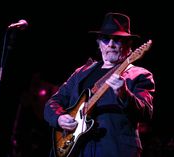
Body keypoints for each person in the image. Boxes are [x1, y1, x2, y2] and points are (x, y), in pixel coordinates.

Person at [44, 12, 155, 157]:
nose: (111, 44)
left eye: (118, 40)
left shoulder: (139, 75)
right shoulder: (82, 72)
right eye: (106, 39)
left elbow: (146, 112)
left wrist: (123, 93)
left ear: (128, 44)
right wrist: (59, 118)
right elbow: (53, 102)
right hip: (76, 150)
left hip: (114, 150)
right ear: (99, 43)